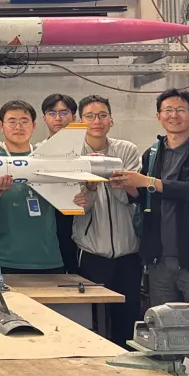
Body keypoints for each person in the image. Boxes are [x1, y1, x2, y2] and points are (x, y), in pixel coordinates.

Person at [111, 89, 189, 306]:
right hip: (160, 260)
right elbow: (146, 198)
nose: (174, 115)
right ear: (158, 116)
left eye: (181, 110)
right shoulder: (153, 154)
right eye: (168, 110)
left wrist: (148, 181)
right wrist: (128, 185)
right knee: (164, 320)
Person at [71, 96, 142, 347]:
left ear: (111, 119)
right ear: (80, 121)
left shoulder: (127, 150)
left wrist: (103, 172)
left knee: (127, 317)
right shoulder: (72, 154)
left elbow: (131, 194)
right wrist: (91, 186)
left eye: (102, 115)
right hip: (92, 250)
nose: (97, 121)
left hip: (128, 251)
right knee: (93, 318)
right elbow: (78, 205)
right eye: (90, 116)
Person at [0, 100, 64, 273]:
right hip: (4, 257)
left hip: (47, 256)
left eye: (24, 121)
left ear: (34, 125)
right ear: (1, 126)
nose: (18, 127)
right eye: (12, 121)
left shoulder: (45, 157)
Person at [41, 93, 80, 272]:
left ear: (74, 117)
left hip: (81, 225)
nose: (58, 118)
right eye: (52, 113)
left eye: (64, 113)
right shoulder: (37, 152)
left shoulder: (85, 151)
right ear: (44, 118)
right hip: (49, 225)